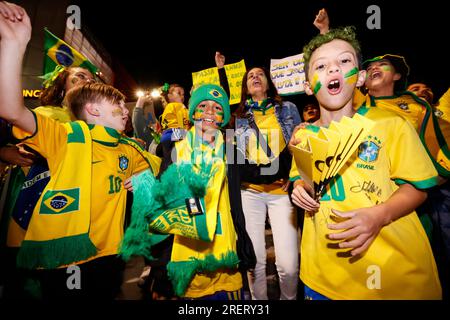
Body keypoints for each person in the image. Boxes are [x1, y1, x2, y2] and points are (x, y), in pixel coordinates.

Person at [0, 2, 161, 299]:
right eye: (117, 106)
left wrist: (144, 183)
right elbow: (11, 109)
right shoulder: (65, 136)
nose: (125, 112)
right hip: (66, 258)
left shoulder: (131, 149)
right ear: (92, 110)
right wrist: (14, 43)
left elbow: (157, 179)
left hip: (111, 257)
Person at [290, 26, 441, 299]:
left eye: (344, 61)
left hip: (390, 273)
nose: (333, 70)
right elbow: (302, 179)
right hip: (321, 275)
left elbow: (418, 188)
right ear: (307, 86)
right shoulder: (303, 135)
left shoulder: (389, 124)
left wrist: (379, 216)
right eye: (321, 65)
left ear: (359, 78)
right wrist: (300, 188)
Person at [121, 84, 254, 300]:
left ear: (223, 117)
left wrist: (295, 173)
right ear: (193, 113)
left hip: (226, 260)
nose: (210, 111)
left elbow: (263, 171)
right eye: (203, 105)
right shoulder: (175, 150)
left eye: (217, 108)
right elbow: (163, 199)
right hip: (186, 260)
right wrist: (144, 183)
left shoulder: (232, 150)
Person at [233, 65, 301, 300]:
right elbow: (236, 160)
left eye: (259, 74)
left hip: (281, 194)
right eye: (250, 76)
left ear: (268, 82)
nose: (255, 77)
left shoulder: (289, 108)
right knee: (255, 262)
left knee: (289, 265)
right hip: (249, 194)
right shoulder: (238, 117)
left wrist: (294, 176)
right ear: (245, 88)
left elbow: (301, 147)